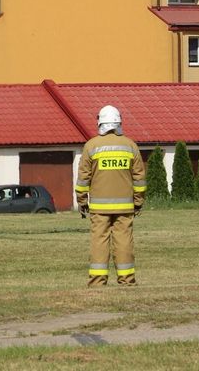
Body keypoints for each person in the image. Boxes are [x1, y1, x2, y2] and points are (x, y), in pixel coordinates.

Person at [74, 105, 146, 287]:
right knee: (124, 241)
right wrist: (138, 202)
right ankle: (127, 280)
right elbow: (139, 179)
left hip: (99, 208)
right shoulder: (130, 146)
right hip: (125, 207)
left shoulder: (91, 146)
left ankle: (98, 281)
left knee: (99, 241)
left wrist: (82, 202)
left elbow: (83, 179)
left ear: (100, 123)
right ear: (118, 122)